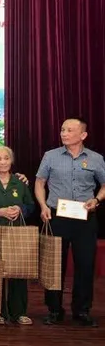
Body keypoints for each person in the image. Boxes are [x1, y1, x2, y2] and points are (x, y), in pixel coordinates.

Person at [34, 118, 105, 327]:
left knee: (85, 264)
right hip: (57, 215)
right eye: (63, 129)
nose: (64, 133)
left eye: (70, 130)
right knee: (54, 265)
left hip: (85, 217)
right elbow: (40, 182)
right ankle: (54, 309)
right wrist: (43, 206)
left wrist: (97, 199)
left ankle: (81, 310)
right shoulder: (51, 156)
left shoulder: (95, 159)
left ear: (83, 135)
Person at [0, 146, 35, 325]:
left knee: (17, 272)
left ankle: (19, 312)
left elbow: (30, 205)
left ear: (11, 161)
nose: (3, 162)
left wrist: (21, 209)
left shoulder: (20, 182)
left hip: (16, 234)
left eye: (6, 158)